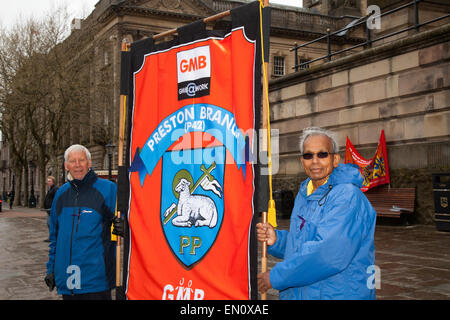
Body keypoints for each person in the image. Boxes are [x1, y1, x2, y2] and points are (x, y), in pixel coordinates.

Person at [256, 127, 376, 300]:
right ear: (302, 160)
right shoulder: (305, 192)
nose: (314, 161)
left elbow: (327, 253)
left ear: (335, 159)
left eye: (322, 154)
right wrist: (278, 240)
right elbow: (304, 241)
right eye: (308, 155)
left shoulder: (348, 196)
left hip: (336, 293)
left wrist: (276, 277)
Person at [44, 144, 117, 300]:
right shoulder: (61, 194)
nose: (77, 165)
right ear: (66, 165)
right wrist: (51, 268)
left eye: (81, 160)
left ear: (89, 163)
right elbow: (54, 237)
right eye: (72, 161)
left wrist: (122, 226)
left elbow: (127, 220)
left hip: (96, 280)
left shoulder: (108, 189)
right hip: (67, 281)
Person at [43, 176, 58, 242]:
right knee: (49, 224)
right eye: (47, 181)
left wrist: (53, 208)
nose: (48, 182)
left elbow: (57, 199)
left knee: (51, 224)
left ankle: (53, 237)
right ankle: (51, 237)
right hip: (48, 210)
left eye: (49, 181)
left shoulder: (55, 189)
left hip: (52, 209)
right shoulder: (50, 188)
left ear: (53, 182)